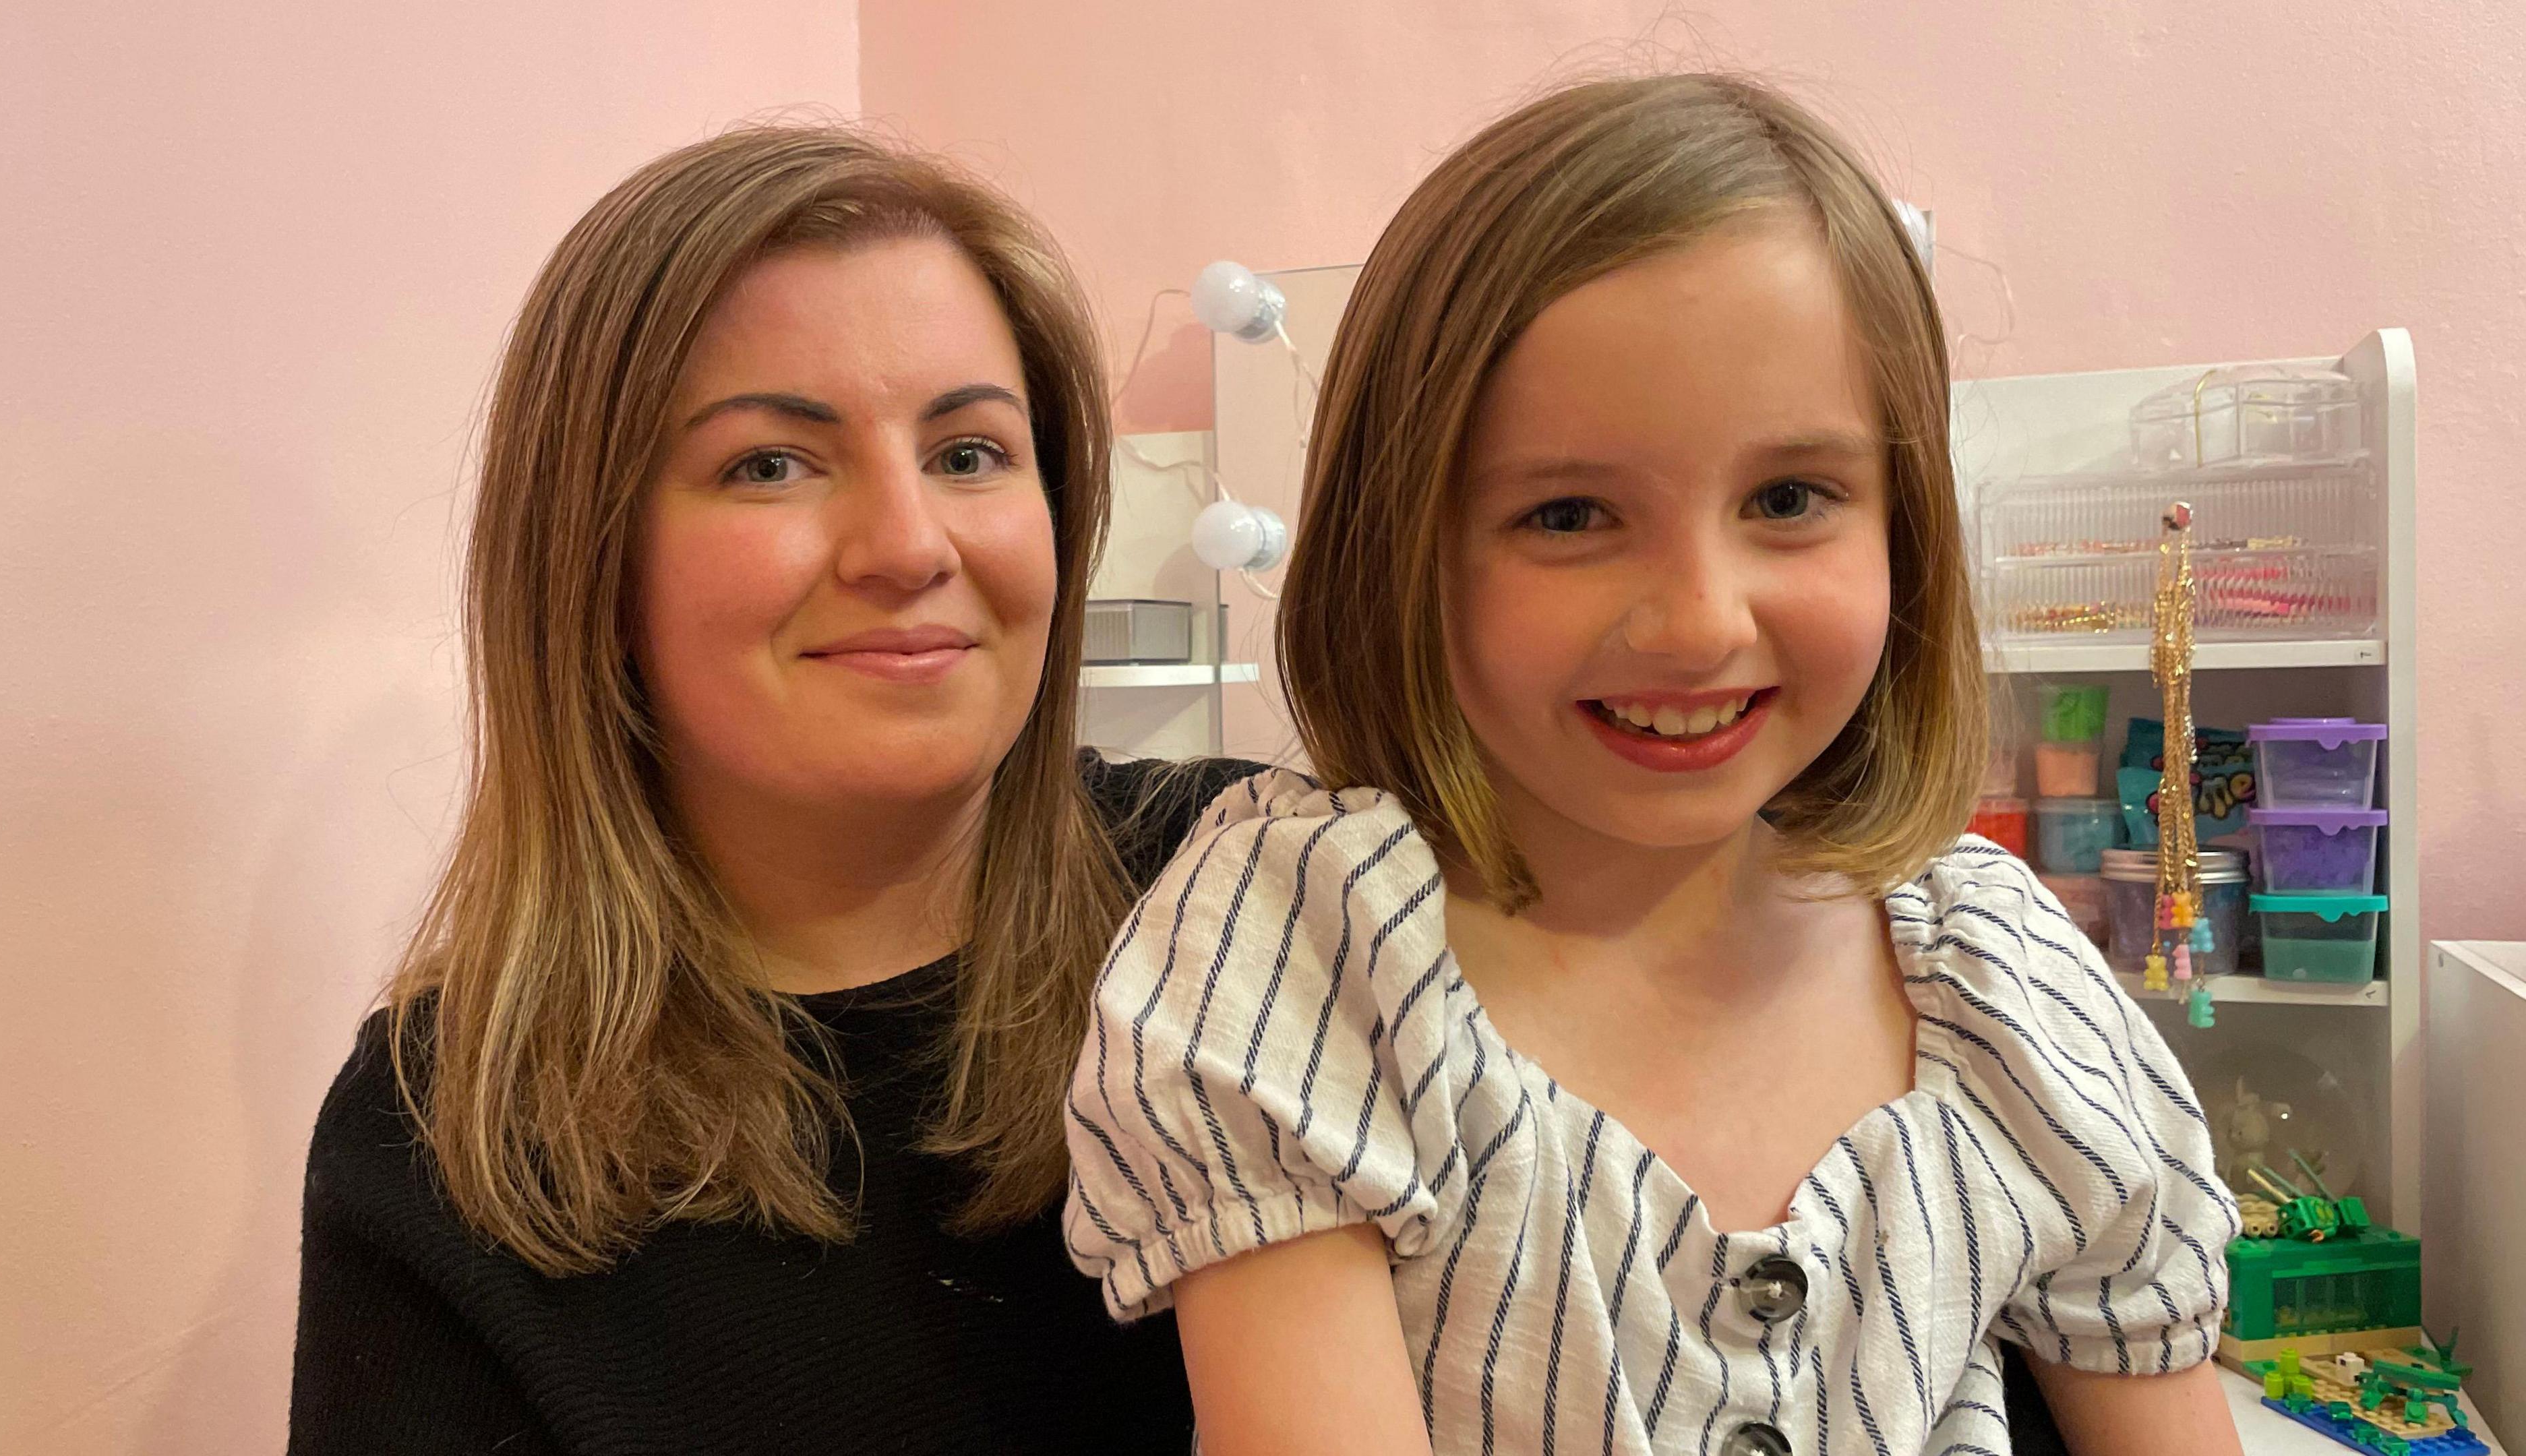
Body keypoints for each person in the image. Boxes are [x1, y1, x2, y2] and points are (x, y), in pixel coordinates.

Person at [1064, 75, 2243, 1456]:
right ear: (1404, 548)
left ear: (1904, 527)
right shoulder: (1301, 953)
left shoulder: (2003, 978)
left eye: (1789, 500)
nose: (1697, 622)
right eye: (1567, 514)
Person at [290, 125, 1248, 1454]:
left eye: (969, 453)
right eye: (771, 465)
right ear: (593, 562)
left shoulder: (1262, 897)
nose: (910, 546)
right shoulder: (442, 1135)